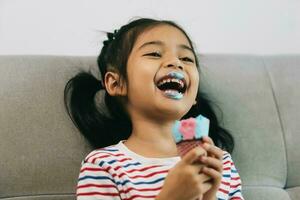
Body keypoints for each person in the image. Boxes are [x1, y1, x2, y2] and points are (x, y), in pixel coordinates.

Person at [64, 18, 244, 200]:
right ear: (116, 83)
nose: (176, 63)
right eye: (155, 54)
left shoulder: (220, 163)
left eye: (186, 58)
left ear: (194, 96)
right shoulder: (104, 165)